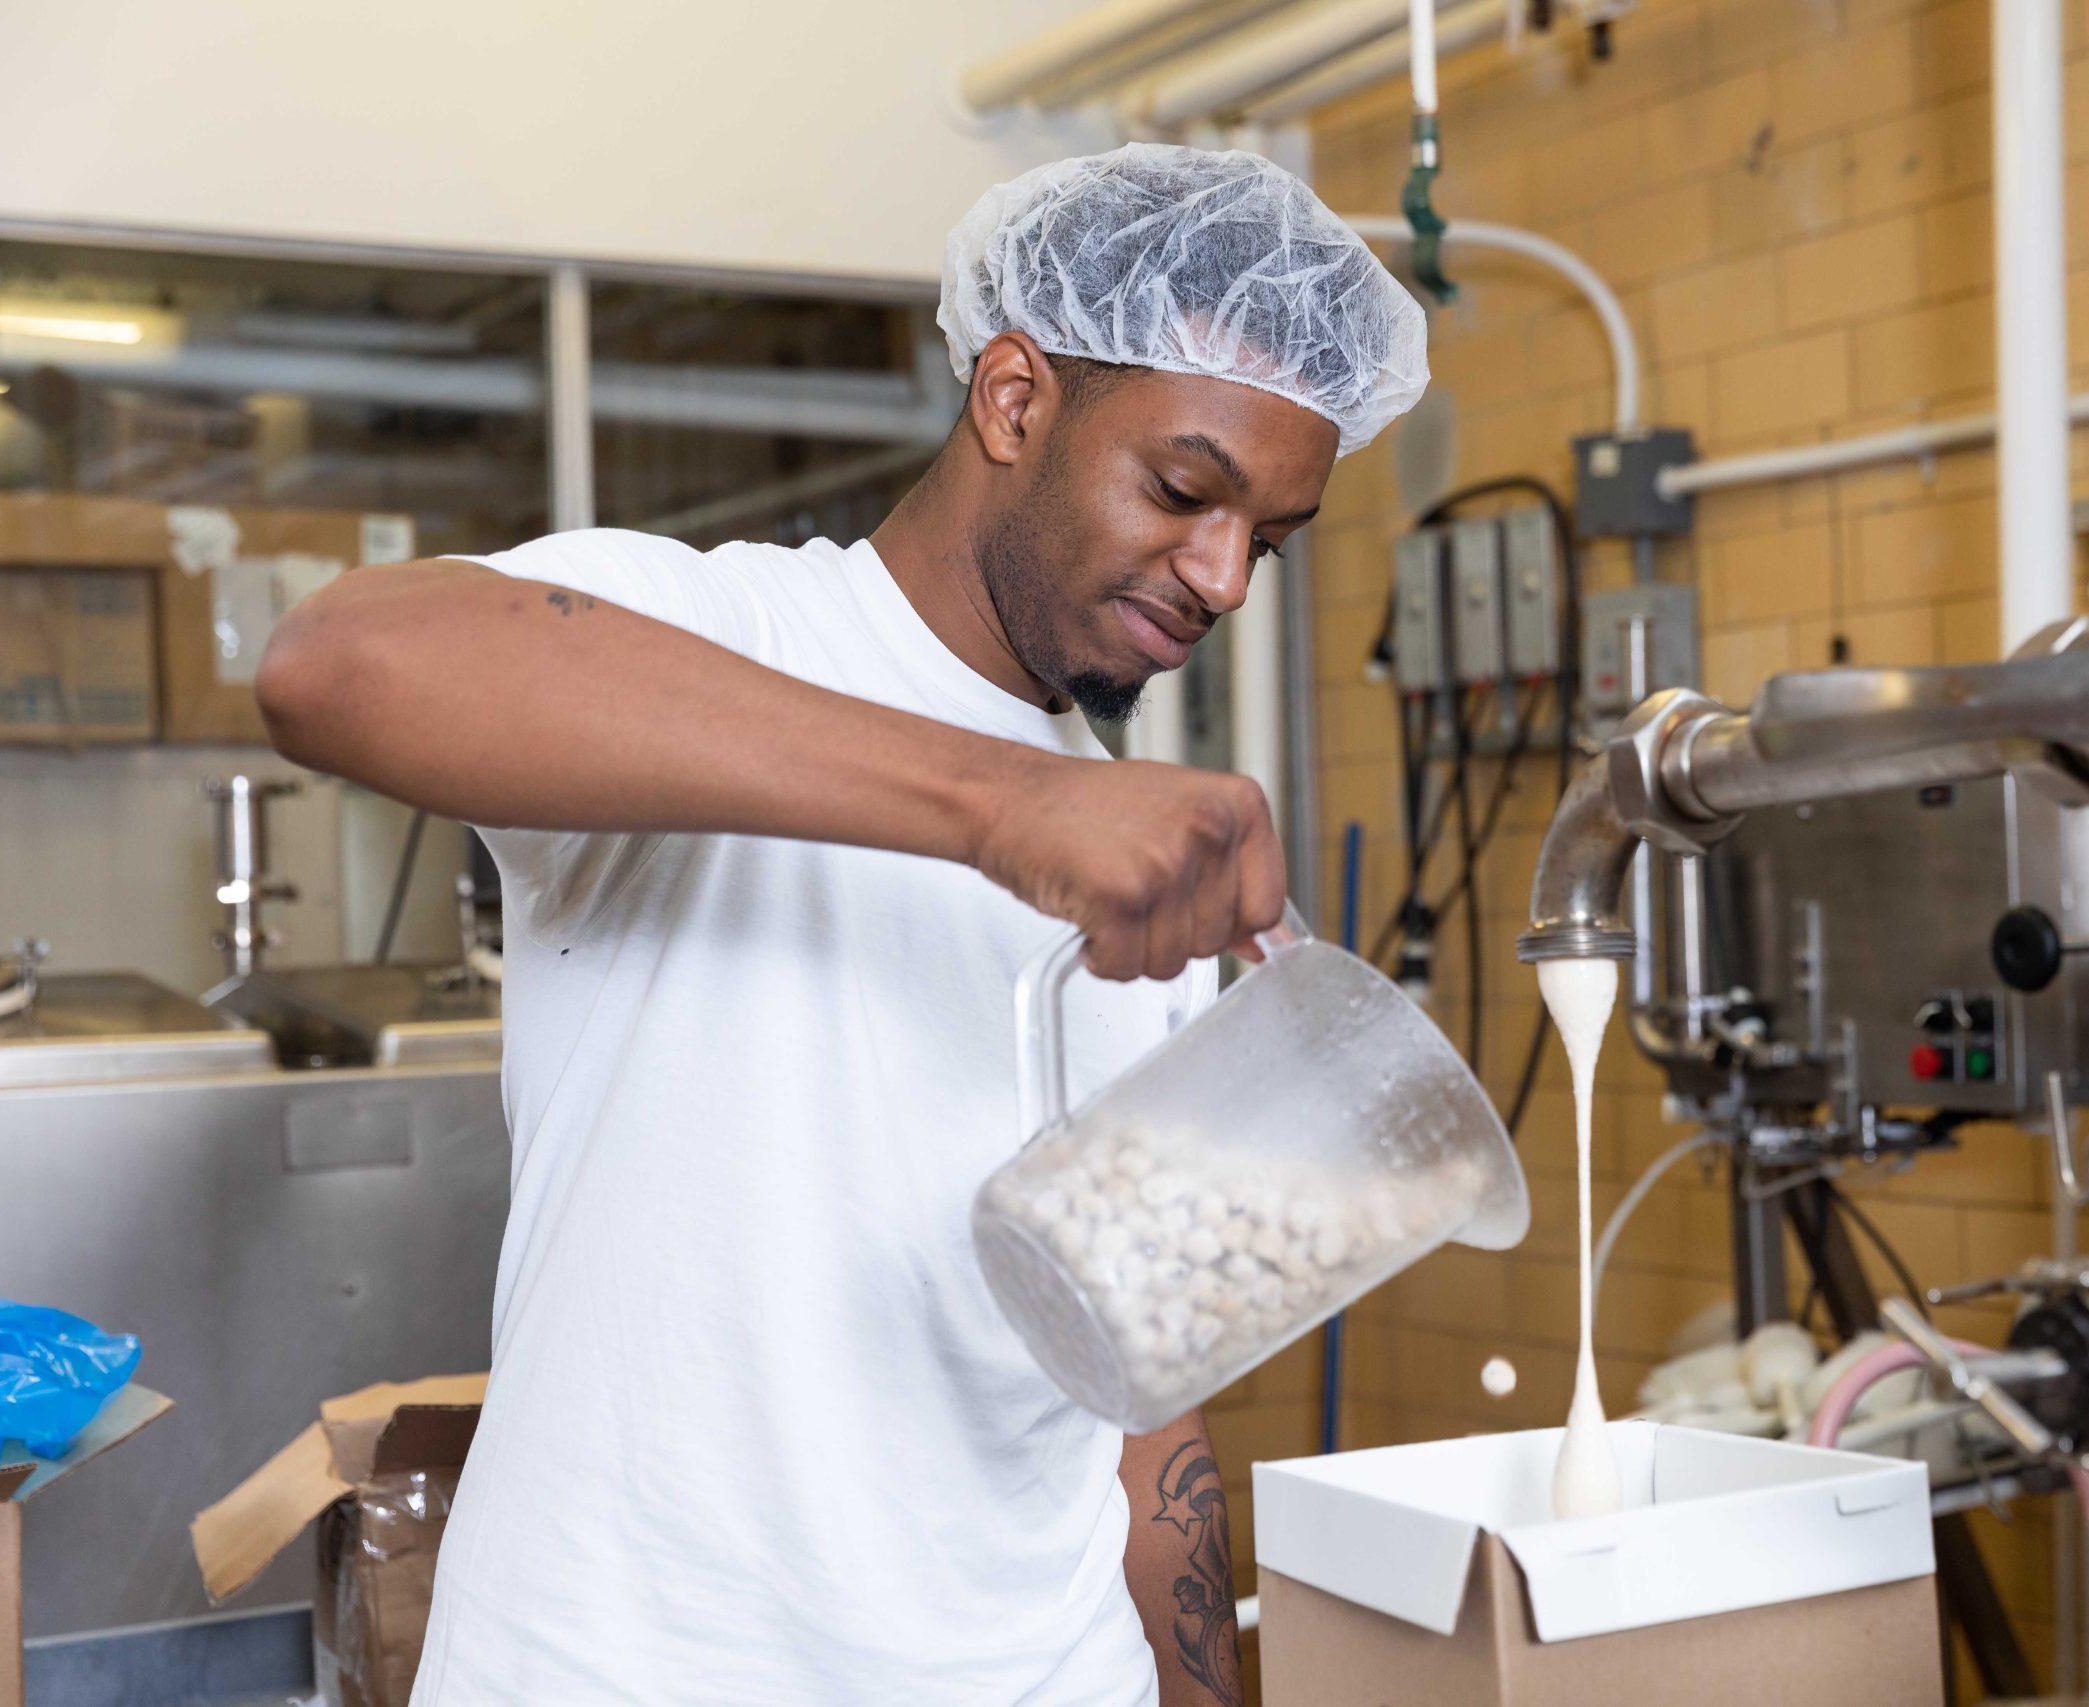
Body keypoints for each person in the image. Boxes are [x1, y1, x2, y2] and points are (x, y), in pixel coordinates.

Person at [256, 142, 1427, 1705]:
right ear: (1013, 401)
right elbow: (333, 668)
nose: (1222, 576)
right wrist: (999, 801)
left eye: (1266, 539)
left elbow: (1142, 1405)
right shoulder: (726, 635)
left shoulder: (1147, 865)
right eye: (1185, 490)